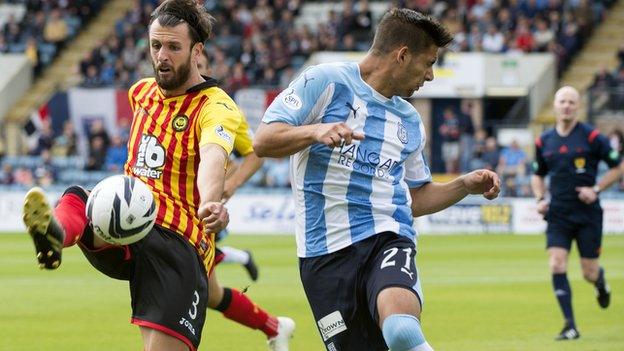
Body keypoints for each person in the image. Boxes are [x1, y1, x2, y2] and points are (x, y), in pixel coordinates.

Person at [254, 9, 501, 351]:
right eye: (428, 63)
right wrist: (315, 131)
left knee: (401, 330)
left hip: (387, 239)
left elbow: (414, 198)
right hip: (322, 254)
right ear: (402, 55)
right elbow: (263, 140)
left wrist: (463, 186)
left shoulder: (410, 121)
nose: (430, 75)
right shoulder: (325, 81)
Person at [22, 1, 234, 350]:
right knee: (78, 197)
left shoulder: (215, 106)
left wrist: (211, 201)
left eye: (173, 47)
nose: (162, 56)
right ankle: (57, 234)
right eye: (155, 46)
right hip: (128, 228)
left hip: (178, 245)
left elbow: (213, 154)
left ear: (197, 52)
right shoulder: (142, 93)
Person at [196, 49, 295, 351]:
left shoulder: (221, 107)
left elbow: (256, 152)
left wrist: (232, 184)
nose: (192, 70)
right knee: (210, 294)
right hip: (167, 208)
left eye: (199, 66)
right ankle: (275, 327)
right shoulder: (160, 99)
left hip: (198, 215)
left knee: (189, 291)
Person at [531, 86, 624, 341]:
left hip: (587, 214)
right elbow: (537, 174)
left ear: (578, 106)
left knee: (589, 272)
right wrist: (540, 198)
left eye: (572, 102)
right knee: (556, 263)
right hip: (558, 213)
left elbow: (618, 167)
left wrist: (596, 188)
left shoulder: (593, 137)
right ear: (555, 105)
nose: (567, 106)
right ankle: (570, 326)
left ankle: (600, 282)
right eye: (563, 101)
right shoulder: (544, 140)